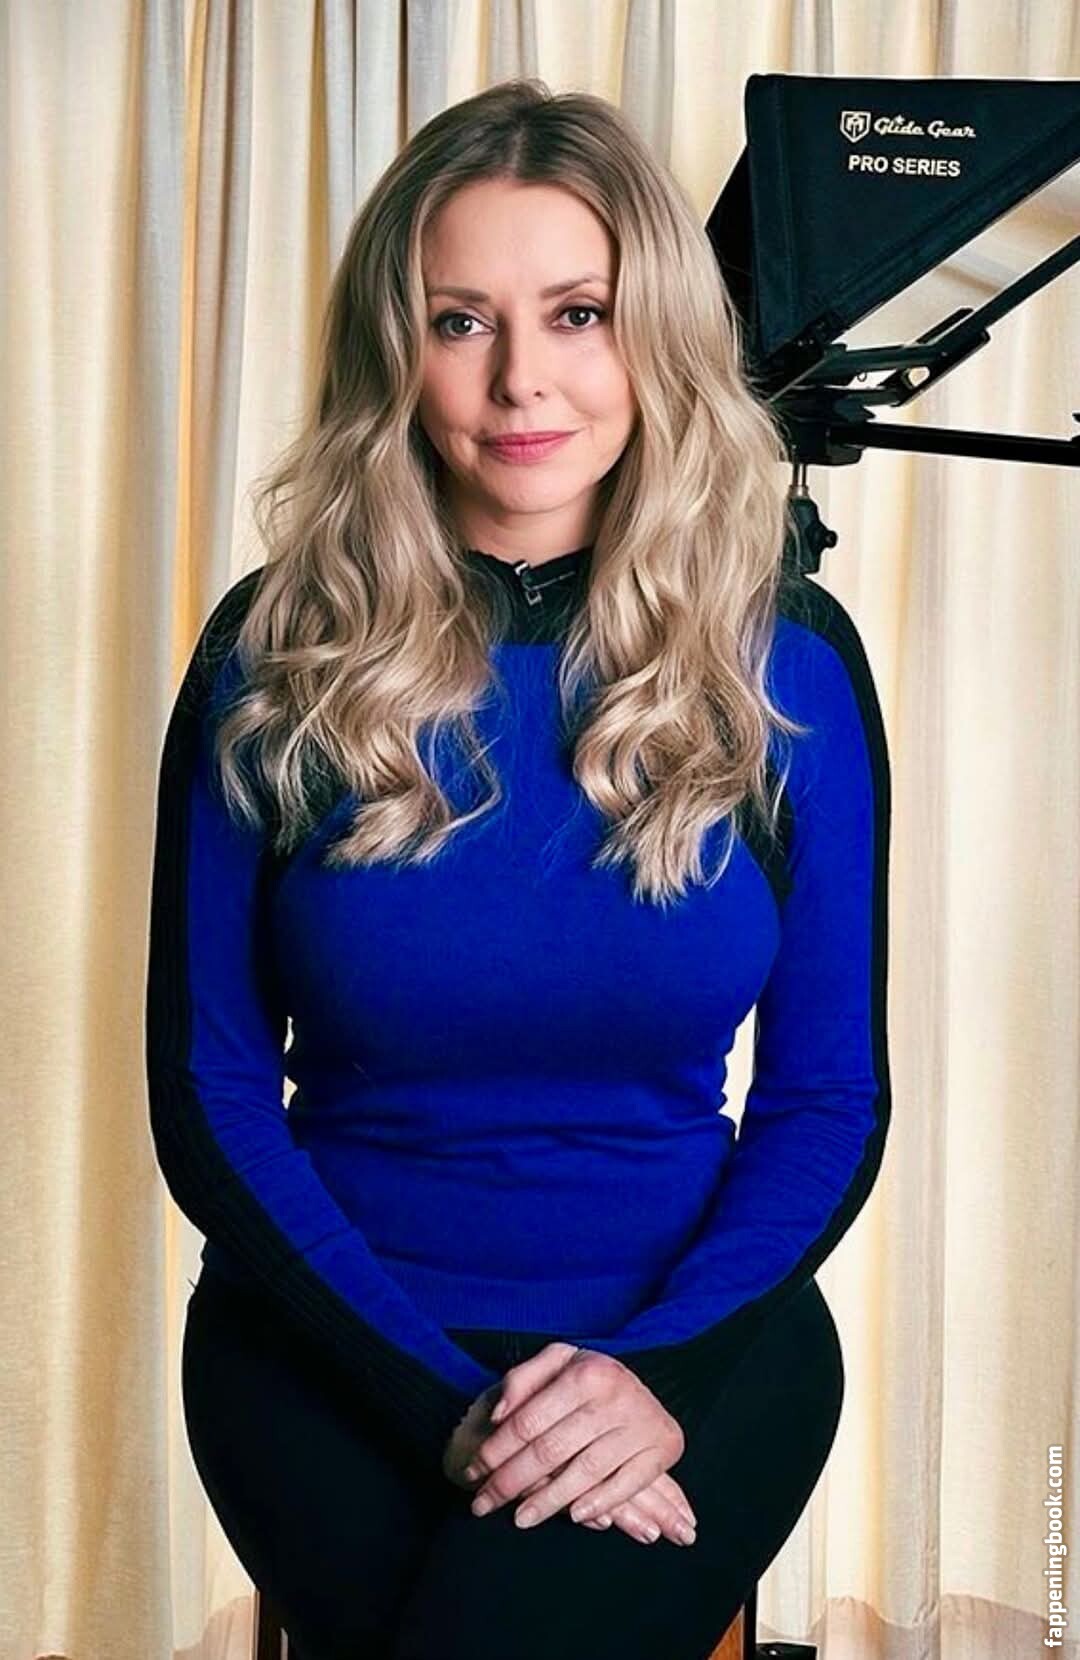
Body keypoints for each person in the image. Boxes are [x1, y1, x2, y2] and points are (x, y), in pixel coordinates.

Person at [146, 76, 891, 1660]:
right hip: (332, 1344)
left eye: (577, 314)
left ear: (655, 335)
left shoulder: (789, 663)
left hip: (698, 1346)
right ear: (394, 354)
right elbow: (207, 1094)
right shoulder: (275, 654)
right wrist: (446, 1409)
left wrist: (656, 1377)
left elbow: (829, 1096)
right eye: (460, 321)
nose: (520, 381)